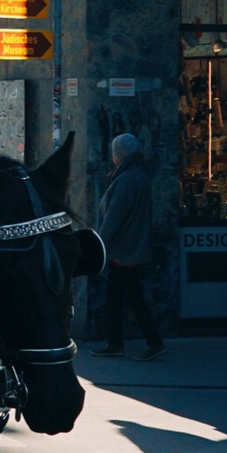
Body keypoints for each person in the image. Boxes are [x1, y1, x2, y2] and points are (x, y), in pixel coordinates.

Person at [96, 133, 163, 360]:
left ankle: (153, 341)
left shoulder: (126, 180)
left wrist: (99, 244)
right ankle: (115, 342)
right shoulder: (135, 175)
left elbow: (114, 217)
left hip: (124, 249)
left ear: (119, 154)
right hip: (126, 247)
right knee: (115, 296)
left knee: (132, 297)